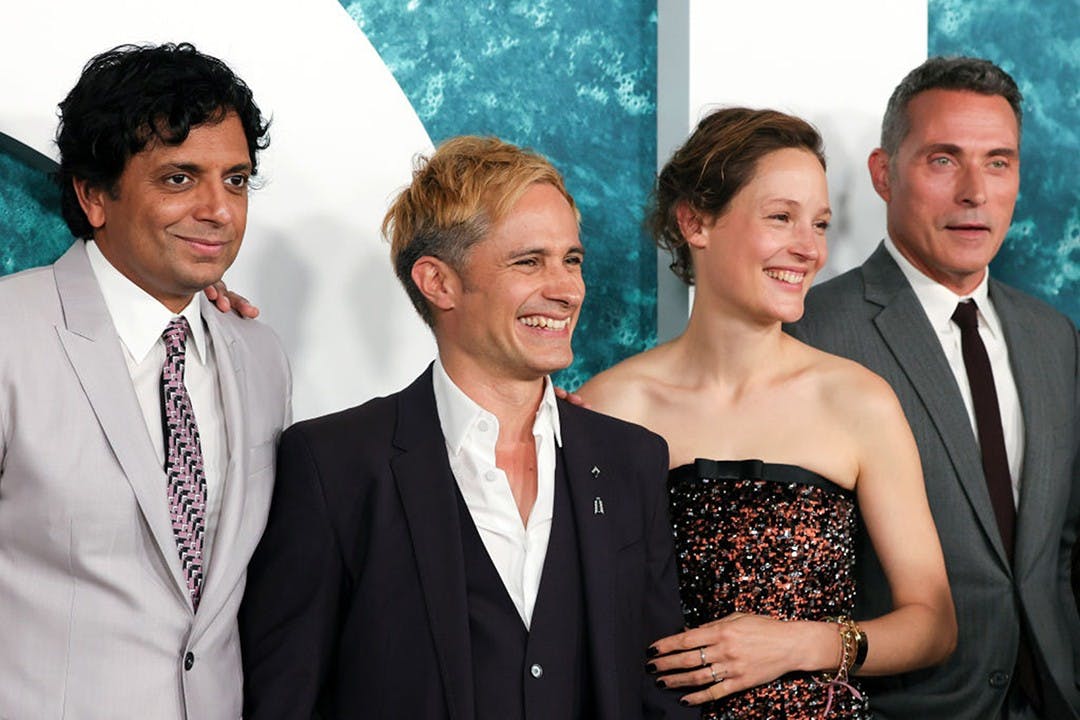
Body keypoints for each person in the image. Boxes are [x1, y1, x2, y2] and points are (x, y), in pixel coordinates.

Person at [239, 136, 693, 719]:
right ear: (438, 282)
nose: (567, 289)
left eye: (572, 259)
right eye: (529, 261)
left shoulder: (633, 459)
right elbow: (285, 698)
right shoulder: (335, 464)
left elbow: (662, 687)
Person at [579, 108, 956, 719]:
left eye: (821, 224)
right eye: (781, 217)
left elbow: (933, 623)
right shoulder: (606, 407)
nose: (808, 249)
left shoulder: (858, 400)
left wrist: (801, 643)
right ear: (695, 222)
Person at [0, 43, 291, 719]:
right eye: (180, 179)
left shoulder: (261, 354)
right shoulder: (11, 335)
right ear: (94, 194)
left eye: (237, 180)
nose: (220, 210)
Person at [791, 57, 1080, 719]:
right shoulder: (812, 333)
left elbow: (1064, 551)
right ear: (884, 174)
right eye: (944, 160)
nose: (975, 191)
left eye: (999, 161)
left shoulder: (1054, 337)